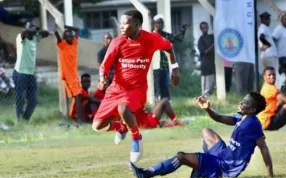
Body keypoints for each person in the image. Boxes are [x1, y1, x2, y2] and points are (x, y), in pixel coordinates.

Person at [92, 10, 180, 163]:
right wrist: (102, 79)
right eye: (120, 23)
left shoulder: (151, 39)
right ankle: (121, 127)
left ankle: (136, 138)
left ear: (137, 24)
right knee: (97, 126)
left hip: (136, 90)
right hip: (116, 89)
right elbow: (104, 66)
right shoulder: (117, 42)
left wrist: (175, 68)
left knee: (123, 108)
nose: (121, 26)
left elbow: (169, 47)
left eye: (125, 23)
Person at [129, 93, 274, 178]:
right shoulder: (241, 117)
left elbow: (264, 148)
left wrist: (270, 175)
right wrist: (207, 108)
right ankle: (202, 167)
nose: (241, 103)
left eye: (245, 102)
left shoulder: (253, 124)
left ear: (252, 109)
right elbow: (218, 117)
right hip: (224, 155)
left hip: (225, 166)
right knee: (206, 132)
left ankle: (146, 174)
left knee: (181, 157)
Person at [12, 21, 49, 121]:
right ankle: (20, 120)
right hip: (20, 73)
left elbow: (46, 33)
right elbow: (25, 31)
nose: (32, 30)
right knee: (21, 99)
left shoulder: (34, 38)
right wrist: (34, 30)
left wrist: (40, 32)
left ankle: (25, 119)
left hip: (30, 74)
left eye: (33, 28)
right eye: (30, 28)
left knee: (34, 100)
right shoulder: (21, 37)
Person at [154, 14, 190, 100]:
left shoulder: (166, 36)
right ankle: (155, 106)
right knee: (154, 89)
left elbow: (178, 39)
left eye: (161, 22)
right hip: (153, 67)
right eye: (158, 22)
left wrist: (183, 28)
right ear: (154, 24)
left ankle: (166, 105)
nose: (160, 24)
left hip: (164, 66)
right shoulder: (150, 36)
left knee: (165, 87)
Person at [54, 24, 85, 123]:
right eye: (68, 37)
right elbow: (58, 38)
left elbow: (78, 29)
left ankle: (76, 116)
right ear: (64, 39)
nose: (71, 38)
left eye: (71, 36)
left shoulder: (74, 43)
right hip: (68, 76)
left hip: (75, 75)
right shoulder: (63, 45)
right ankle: (80, 120)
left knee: (79, 96)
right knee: (78, 96)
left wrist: (65, 26)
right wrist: (55, 31)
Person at [258, 12, 280, 88]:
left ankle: (267, 95)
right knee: (273, 75)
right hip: (270, 55)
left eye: (269, 19)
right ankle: (274, 95)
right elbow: (261, 37)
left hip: (266, 55)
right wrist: (268, 44)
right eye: (267, 19)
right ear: (262, 19)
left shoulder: (264, 28)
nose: (269, 20)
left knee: (267, 77)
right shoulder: (263, 27)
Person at [197, 21, 216, 97]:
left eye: (206, 27)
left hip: (212, 63)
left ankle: (211, 96)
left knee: (212, 82)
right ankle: (204, 98)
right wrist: (214, 44)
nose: (204, 29)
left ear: (208, 28)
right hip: (205, 64)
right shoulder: (201, 40)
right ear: (200, 29)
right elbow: (205, 52)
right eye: (203, 28)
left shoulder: (211, 37)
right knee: (205, 83)